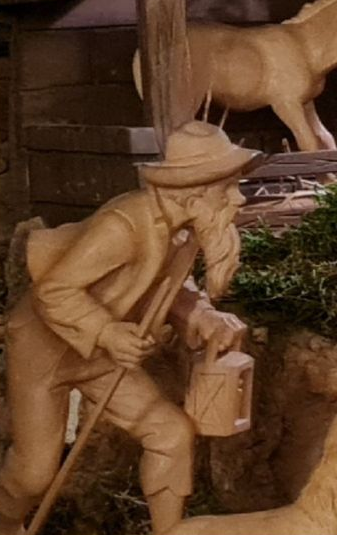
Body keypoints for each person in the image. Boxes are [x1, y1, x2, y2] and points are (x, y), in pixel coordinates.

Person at [0, 121, 259, 535]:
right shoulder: (123, 227)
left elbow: (168, 285)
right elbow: (54, 290)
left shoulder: (182, 232)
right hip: (45, 352)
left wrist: (201, 314)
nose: (239, 198)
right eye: (227, 188)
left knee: (171, 434)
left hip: (104, 357)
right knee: (34, 475)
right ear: (194, 194)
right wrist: (107, 331)